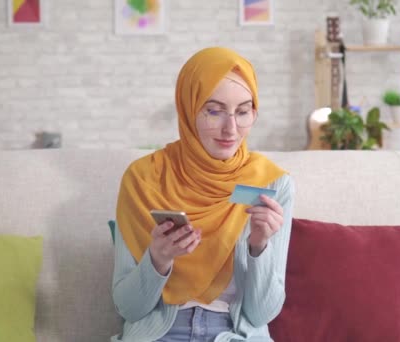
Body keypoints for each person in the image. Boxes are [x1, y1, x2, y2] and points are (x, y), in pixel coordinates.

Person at [112, 47, 295, 342]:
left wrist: (259, 247)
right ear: (188, 109)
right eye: (214, 111)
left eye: (242, 112)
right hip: (160, 333)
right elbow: (128, 309)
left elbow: (261, 314)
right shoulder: (144, 179)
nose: (230, 129)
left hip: (235, 334)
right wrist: (157, 260)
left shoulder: (273, 183)